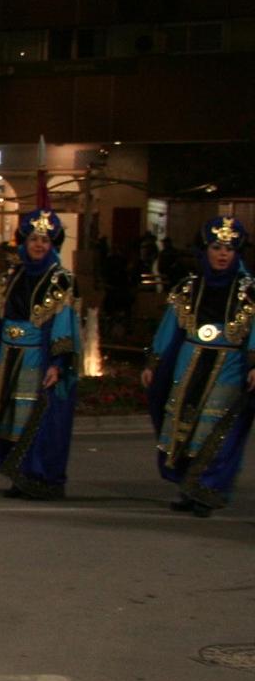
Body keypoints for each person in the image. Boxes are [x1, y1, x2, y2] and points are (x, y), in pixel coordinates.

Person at [0, 208, 78, 499]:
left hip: (36, 360)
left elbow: (64, 323)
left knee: (35, 420)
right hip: (7, 358)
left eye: (45, 241)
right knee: (9, 419)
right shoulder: (12, 276)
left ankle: (39, 477)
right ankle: (19, 475)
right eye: (34, 239)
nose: (38, 245)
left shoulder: (59, 280)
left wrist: (58, 363)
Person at [143, 216, 255, 517]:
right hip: (189, 363)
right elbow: (170, 328)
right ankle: (188, 486)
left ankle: (208, 489)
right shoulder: (188, 288)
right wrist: (154, 362)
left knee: (218, 428)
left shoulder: (249, 291)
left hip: (228, 365)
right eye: (217, 247)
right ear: (204, 250)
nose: (222, 254)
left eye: (229, 249)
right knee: (185, 426)